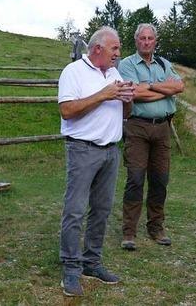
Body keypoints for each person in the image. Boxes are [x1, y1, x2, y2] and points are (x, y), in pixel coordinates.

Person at [57, 26, 134, 297]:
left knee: (101, 210)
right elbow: (67, 111)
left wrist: (127, 99)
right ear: (98, 48)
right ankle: (70, 267)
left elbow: (125, 113)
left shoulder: (114, 73)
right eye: (115, 48)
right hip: (82, 149)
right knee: (75, 210)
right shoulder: (73, 72)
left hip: (110, 150)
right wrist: (105, 94)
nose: (118, 53)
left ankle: (91, 263)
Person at [118, 23, 184, 249]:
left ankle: (156, 227)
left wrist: (151, 86)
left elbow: (179, 87)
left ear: (155, 41)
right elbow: (133, 93)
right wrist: (164, 90)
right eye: (142, 38)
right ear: (136, 41)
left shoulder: (164, 63)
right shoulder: (126, 64)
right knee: (135, 179)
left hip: (162, 128)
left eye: (150, 38)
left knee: (160, 179)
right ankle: (129, 231)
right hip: (137, 128)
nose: (146, 42)